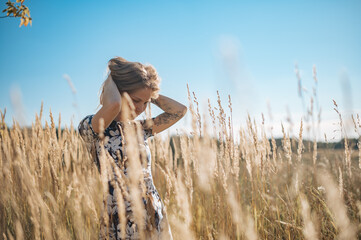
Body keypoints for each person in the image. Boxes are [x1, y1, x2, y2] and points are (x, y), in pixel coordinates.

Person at [78, 57, 187, 239]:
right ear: (119, 92)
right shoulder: (93, 126)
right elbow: (112, 105)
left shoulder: (140, 129)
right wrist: (113, 76)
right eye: (136, 100)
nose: (141, 108)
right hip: (120, 215)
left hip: (153, 211)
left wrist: (148, 92)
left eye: (145, 103)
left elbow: (179, 110)